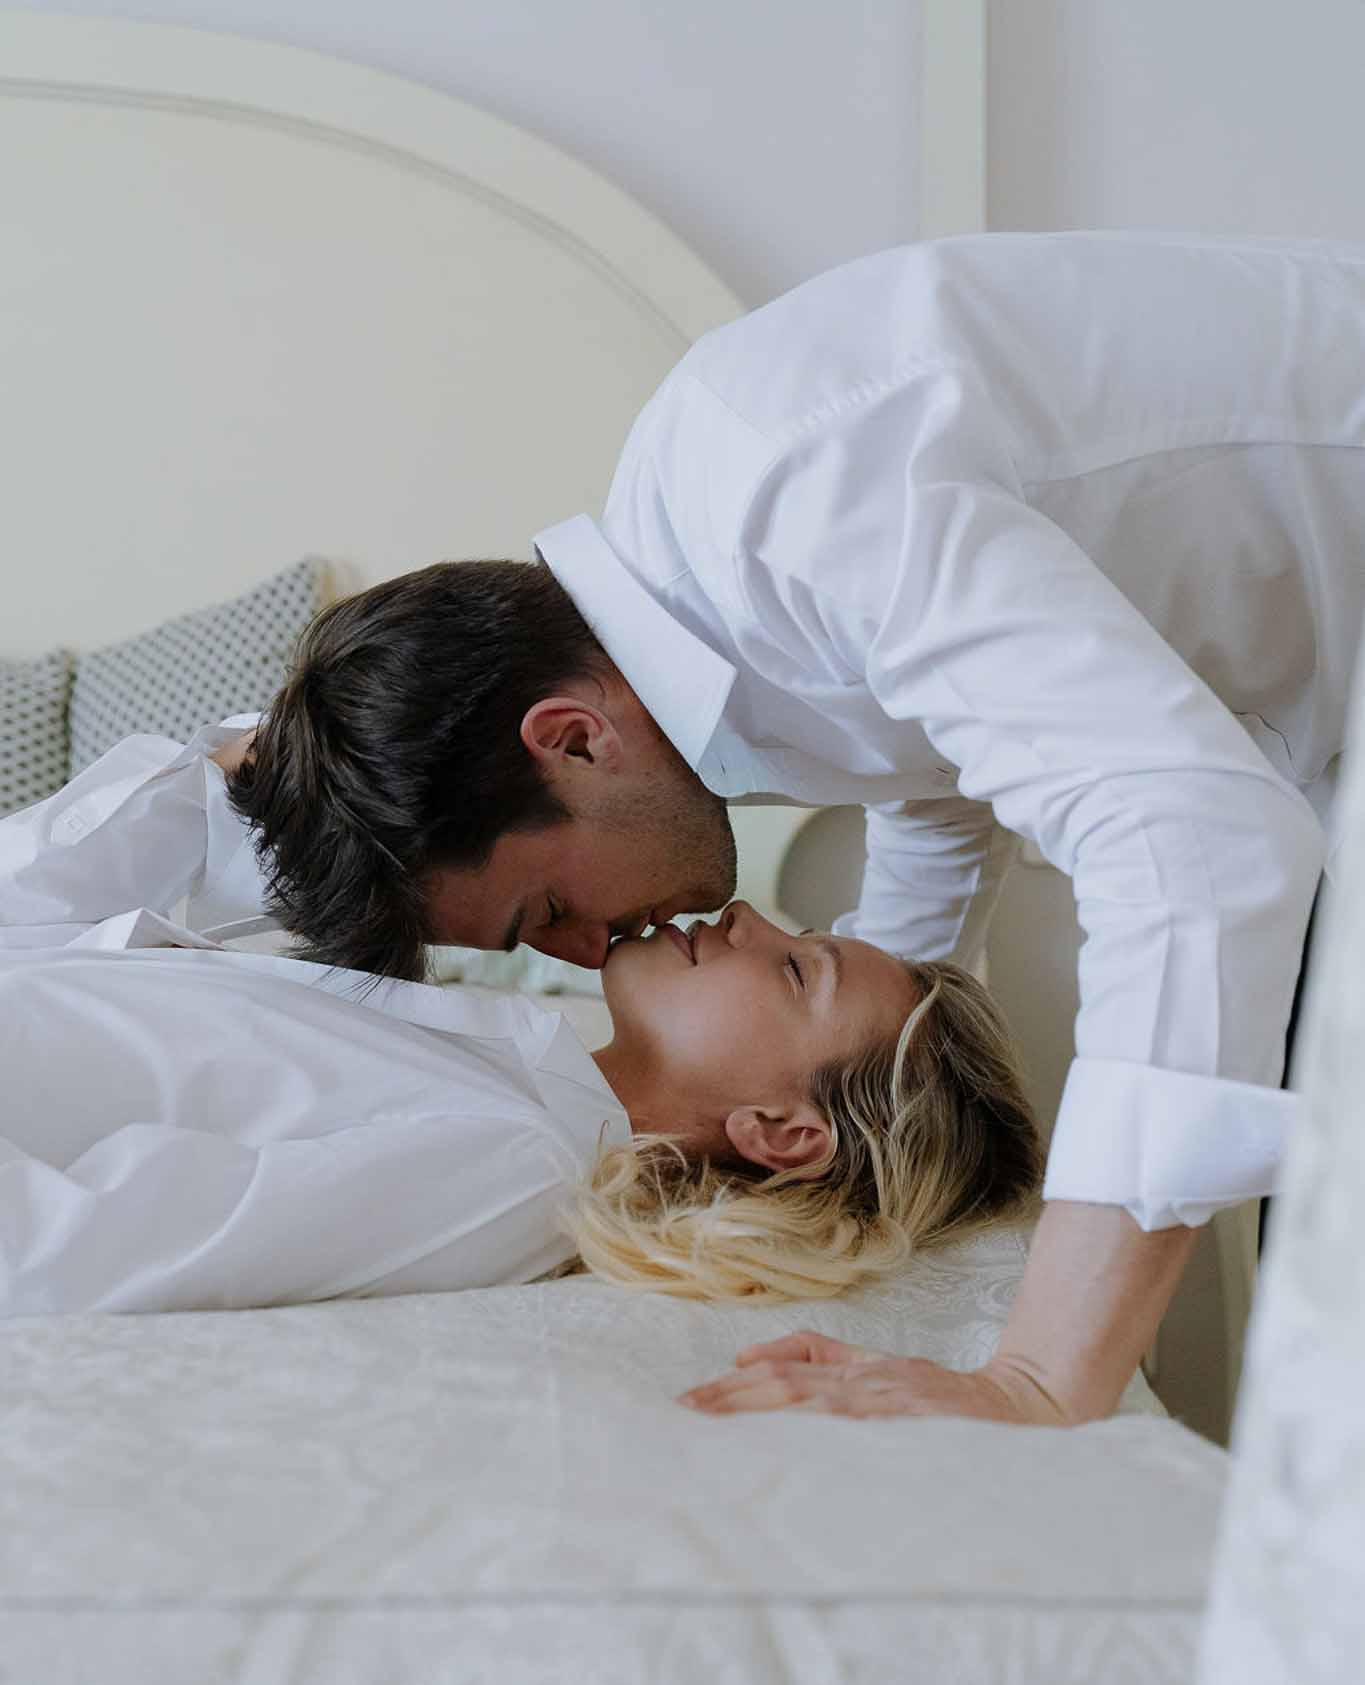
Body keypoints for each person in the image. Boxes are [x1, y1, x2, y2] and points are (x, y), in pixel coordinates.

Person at [220, 237, 1365, 1419]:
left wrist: (1037, 1373)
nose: (585, 954)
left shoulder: (795, 496)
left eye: (547, 912)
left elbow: (1191, 839)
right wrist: (867, 1089)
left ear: (568, 738)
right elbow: (938, 781)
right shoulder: (720, 611)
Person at [0, 726, 1041, 1317]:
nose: (746, 917)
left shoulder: (515, 1161)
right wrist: (225, 786)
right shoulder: (503, 1047)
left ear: (783, 1130)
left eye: (798, 969)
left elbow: (79, 1251)